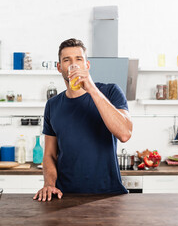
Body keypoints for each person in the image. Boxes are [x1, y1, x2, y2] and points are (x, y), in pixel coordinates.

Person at [33, 38, 133, 202]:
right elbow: (50, 155)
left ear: (87, 65)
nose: (74, 64)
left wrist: (91, 89)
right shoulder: (52, 105)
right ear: (59, 68)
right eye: (67, 60)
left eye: (79, 59)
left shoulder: (111, 91)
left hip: (109, 195)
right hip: (65, 196)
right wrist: (49, 183)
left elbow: (124, 134)